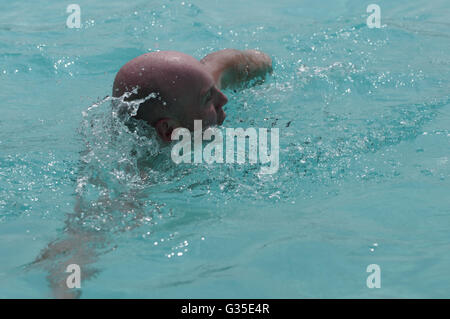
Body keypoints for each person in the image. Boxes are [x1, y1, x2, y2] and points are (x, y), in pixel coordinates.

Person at [112, 49, 272, 141]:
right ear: (169, 131)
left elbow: (224, 62)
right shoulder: (138, 180)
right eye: (208, 98)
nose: (224, 99)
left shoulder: (195, 86)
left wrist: (264, 64)